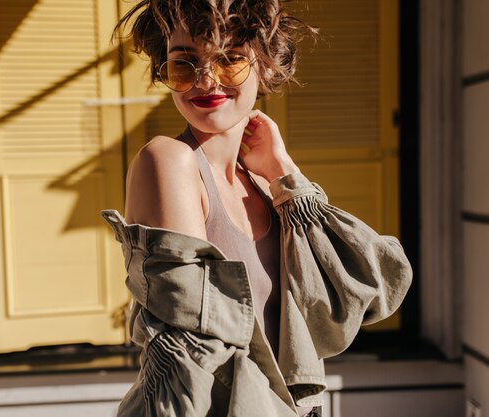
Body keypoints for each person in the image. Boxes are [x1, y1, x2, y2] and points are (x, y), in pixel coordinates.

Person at [102, 1, 413, 416]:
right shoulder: (169, 162)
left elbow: (365, 291)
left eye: (229, 60)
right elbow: (191, 355)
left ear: (265, 67)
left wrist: (287, 174)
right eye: (184, 64)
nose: (206, 80)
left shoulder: (265, 184)